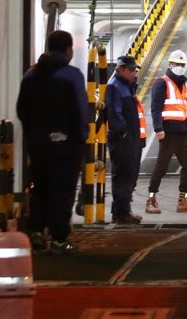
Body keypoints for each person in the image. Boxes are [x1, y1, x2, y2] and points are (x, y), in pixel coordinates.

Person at [15, 29, 89, 254]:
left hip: (37, 144)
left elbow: (21, 110)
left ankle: (36, 232)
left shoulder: (31, 75)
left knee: (39, 187)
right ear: (68, 50)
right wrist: (80, 137)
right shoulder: (72, 75)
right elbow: (80, 110)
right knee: (62, 190)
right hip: (66, 145)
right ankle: (58, 239)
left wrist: (33, 134)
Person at [146, 49, 187, 214]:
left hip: (183, 133)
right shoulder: (161, 83)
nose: (180, 67)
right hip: (168, 133)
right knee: (161, 167)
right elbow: (156, 108)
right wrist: (158, 128)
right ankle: (151, 199)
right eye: (177, 64)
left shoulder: (185, 85)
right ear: (170, 64)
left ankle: (183, 200)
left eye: (182, 64)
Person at [106, 54, 145, 225]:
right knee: (122, 175)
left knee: (130, 175)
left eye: (135, 70)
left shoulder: (127, 87)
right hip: (123, 141)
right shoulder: (115, 87)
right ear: (120, 69)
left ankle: (124, 210)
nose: (134, 73)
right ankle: (120, 212)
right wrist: (124, 133)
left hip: (131, 140)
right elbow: (114, 114)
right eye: (130, 70)